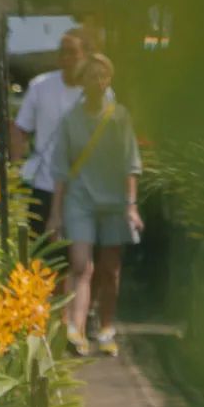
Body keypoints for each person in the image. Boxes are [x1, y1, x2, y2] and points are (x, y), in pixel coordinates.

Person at [47, 53, 142, 357]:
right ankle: (75, 328)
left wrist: (131, 206)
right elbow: (61, 170)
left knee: (110, 270)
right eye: (91, 76)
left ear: (109, 80)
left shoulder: (119, 118)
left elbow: (131, 164)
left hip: (114, 201)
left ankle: (105, 328)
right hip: (80, 199)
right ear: (82, 81)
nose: (97, 82)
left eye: (102, 76)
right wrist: (55, 214)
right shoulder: (70, 121)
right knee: (81, 265)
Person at [11, 29, 96, 238]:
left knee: (80, 259)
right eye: (62, 52)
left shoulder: (100, 92)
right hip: (44, 186)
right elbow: (20, 129)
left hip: (84, 190)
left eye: (72, 52)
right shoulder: (40, 86)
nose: (65, 58)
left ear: (87, 56)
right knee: (43, 257)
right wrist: (14, 170)